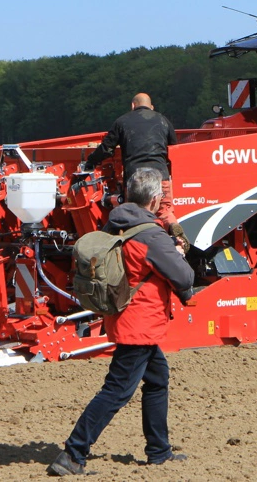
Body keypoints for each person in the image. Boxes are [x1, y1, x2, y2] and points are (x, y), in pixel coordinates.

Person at [48, 168, 196, 476]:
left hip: (122, 315)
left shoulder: (115, 223)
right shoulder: (151, 235)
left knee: (157, 378)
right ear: (154, 200)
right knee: (116, 390)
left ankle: (159, 451)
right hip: (139, 324)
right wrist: (178, 251)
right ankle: (73, 454)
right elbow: (184, 277)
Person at [84, 93, 180, 232]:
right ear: (151, 107)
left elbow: (107, 149)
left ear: (133, 105)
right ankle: (173, 228)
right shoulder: (163, 120)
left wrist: (91, 162)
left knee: (135, 214)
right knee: (165, 210)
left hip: (135, 178)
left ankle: (139, 240)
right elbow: (174, 147)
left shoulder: (122, 121)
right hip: (160, 176)